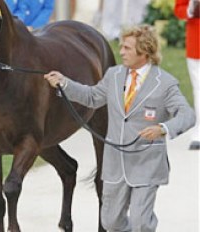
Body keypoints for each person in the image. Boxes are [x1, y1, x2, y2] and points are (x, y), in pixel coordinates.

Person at [44, 24, 195, 232]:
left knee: (142, 223)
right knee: (111, 223)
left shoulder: (165, 84)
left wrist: (163, 128)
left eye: (127, 48)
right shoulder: (113, 76)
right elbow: (92, 97)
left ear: (144, 51)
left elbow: (188, 115)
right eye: (121, 47)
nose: (121, 52)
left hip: (146, 165)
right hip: (115, 164)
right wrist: (65, 83)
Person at [174, 0, 200, 150]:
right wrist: (192, 7)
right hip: (197, 42)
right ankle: (199, 132)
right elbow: (180, 9)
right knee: (199, 89)